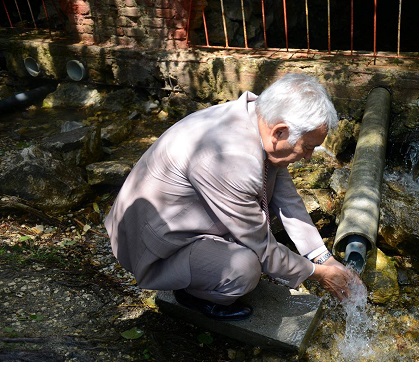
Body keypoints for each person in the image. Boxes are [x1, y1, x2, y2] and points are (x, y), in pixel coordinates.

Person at [104, 73, 362, 320]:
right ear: (279, 132)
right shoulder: (232, 159)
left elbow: (288, 200)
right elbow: (262, 249)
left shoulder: (258, 116)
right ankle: (194, 296)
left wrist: (322, 257)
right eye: (307, 147)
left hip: (173, 219)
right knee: (244, 269)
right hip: (152, 245)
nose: (308, 157)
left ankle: (204, 265)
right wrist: (318, 274)